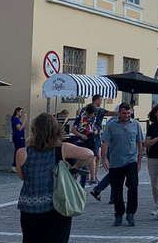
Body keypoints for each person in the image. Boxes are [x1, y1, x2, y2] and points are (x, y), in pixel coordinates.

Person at [16, 112, 93, 243]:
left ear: (34, 131)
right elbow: (88, 154)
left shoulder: (22, 153)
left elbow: (22, 176)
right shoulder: (62, 149)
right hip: (57, 207)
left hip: (29, 209)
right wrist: (74, 169)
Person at [101, 102, 143, 227]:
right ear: (119, 113)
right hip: (116, 161)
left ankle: (131, 213)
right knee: (117, 189)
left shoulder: (135, 124)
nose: (126, 115)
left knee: (133, 186)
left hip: (131, 160)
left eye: (128, 113)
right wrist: (104, 158)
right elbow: (105, 143)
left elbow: (139, 143)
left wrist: (139, 161)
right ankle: (118, 214)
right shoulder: (111, 125)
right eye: (124, 113)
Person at [71, 103, 98, 188]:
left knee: (85, 168)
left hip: (88, 143)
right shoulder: (80, 118)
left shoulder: (93, 118)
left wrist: (95, 132)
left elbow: (94, 128)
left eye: (92, 114)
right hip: (79, 143)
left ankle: (82, 188)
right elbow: (73, 130)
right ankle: (74, 187)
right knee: (76, 167)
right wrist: (81, 135)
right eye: (90, 114)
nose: (91, 116)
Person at [11, 107, 27, 173]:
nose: (22, 113)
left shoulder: (16, 120)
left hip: (20, 137)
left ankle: (16, 165)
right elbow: (19, 128)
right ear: (17, 112)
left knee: (19, 150)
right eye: (21, 112)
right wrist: (25, 120)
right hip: (18, 138)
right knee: (19, 151)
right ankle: (15, 165)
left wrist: (23, 126)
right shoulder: (16, 119)